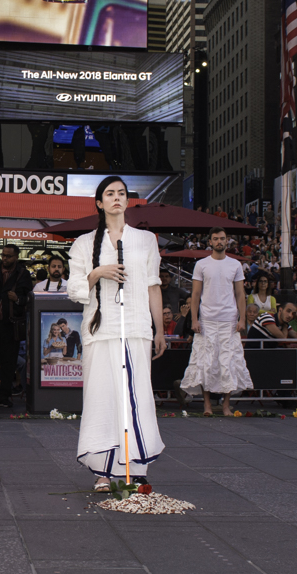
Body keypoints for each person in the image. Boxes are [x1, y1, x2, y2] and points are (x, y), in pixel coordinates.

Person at [68, 176, 165, 490]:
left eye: (121, 193)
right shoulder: (84, 243)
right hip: (102, 330)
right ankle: (102, 470)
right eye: (109, 194)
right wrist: (97, 272)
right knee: (102, 398)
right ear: (99, 202)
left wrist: (159, 329)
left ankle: (136, 469)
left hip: (137, 328)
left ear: (127, 200)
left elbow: (153, 285)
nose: (116, 198)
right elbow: (74, 289)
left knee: (137, 397)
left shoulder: (146, 240)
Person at [180, 228, 252, 416]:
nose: (219, 241)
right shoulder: (201, 265)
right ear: (210, 242)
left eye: (222, 238)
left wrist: (242, 319)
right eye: (215, 239)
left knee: (228, 361)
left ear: (227, 241)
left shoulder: (235, 264)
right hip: (207, 320)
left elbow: (240, 294)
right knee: (206, 362)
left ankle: (226, 405)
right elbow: (195, 294)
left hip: (229, 320)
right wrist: (194, 319)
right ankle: (207, 406)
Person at [0, 244, 32, 409]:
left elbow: (28, 297)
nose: (5, 259)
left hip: (11, 324)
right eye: (3, 255)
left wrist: (17, 299)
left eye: (9, 256)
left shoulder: (23, 274)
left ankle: (4, 395)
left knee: (9, 363)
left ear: (16, 257)